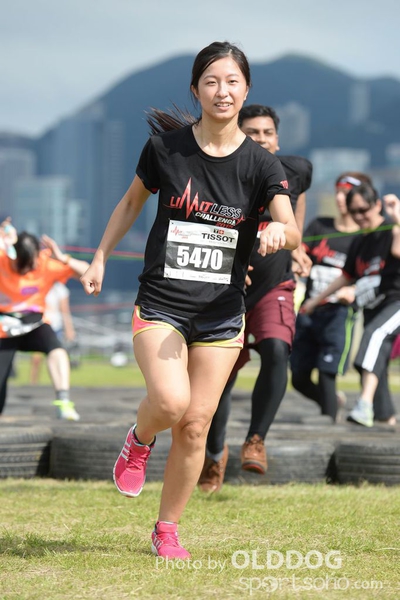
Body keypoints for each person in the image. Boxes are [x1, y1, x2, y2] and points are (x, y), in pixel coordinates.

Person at [80, 41, 301, 560]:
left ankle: (167, 529)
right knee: (170, 403)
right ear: (196, 89)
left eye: (232, 82)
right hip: (162, 303)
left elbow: (291, 227)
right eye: (211, 82)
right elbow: (130, 203)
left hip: (222, 314)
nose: (222, 91)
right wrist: (99, 258)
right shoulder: (166, 149)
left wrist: (278, 232)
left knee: (196, 424)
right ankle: (139, 439)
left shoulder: (261, 164)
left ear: (246, 90)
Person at [197, 104, 313, 493]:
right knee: (219, 380)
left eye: (267, 133)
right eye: (253, 133)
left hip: (275, 286)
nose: (261, 139)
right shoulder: (220, 173)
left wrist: (297, 241)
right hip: (226, 289)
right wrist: (227, 260)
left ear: (277, 139)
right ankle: (215, 455)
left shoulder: (296, 169)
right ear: (237, 135)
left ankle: (256, 440)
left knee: (277, 350)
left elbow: (297, 199)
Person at [301, 184, 398, 427]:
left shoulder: (390, 230)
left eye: (363, 209)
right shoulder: (360, 242)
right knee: (377, 358)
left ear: (377, 205)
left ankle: (364, 404)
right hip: (374, 306)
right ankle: (385, 416)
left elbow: (398, 250)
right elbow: (346, 276)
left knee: (373, 336)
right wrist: (314, 301)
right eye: (354, 212)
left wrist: (397, 216)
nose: (359, 216)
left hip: (396, 302)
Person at [290, 172, 373, 421]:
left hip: (339, 314)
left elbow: (374, 273)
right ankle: (332, 402)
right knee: (299, 378)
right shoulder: (319, 226)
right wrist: (296, 266)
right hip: (309, 311)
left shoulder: (365, 238)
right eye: (337, 192)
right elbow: (299, 257)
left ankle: (329, 420)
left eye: (346, 193)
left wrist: (354, 290)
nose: (339, 198)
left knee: (327, 372)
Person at [0, 220, 89, 420]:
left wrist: (63, 258)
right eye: (20, 266)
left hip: (35, 324)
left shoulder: (45, 262)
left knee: (57, 349)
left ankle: (63, 401)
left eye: (29, 266)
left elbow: (88, 272)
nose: (25, 271)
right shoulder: (2, 258)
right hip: (4, 327)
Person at [30, 282, 76, 384]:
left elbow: (65, 310)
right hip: (40, 325)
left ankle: (59, 384)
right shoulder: (39, 283)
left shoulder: (60, 289)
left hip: (55, 327)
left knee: (55, 356)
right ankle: (33, 384)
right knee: (36, 358)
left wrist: (69, 329)